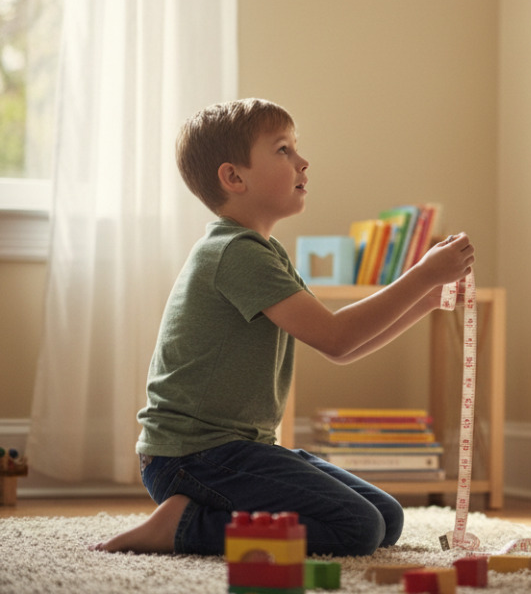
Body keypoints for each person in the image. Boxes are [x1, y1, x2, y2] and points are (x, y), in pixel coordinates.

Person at [92, 98, 475, 556]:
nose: (302, 161)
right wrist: (423, 274)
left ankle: (198, 514)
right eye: (283, 150)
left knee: (386, 519)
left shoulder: (264, 252)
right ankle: (183, 526)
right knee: (358, 527)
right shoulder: (236, 253)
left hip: (238, 452)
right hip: (193, 459)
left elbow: (340, 349)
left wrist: (424, 301)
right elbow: (338, 336)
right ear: (234, 177)